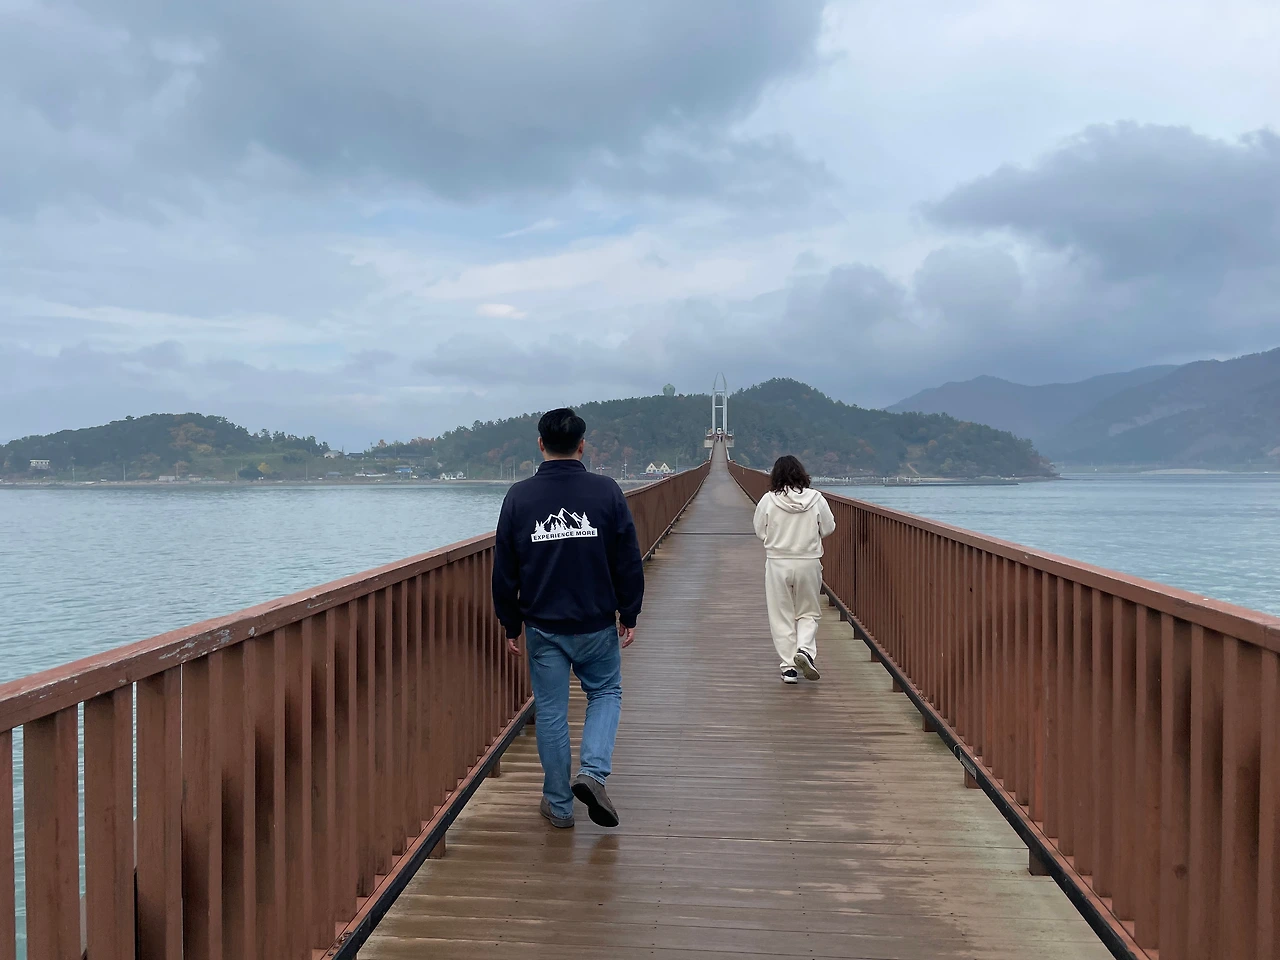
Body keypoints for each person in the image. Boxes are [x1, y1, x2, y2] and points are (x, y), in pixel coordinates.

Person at [492, 407, 643, 829]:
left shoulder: (519, 497)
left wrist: (510, 622)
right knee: (605, 693)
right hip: (596, 621)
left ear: (540, 444)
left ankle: (559, 806)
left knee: (552, 712)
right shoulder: (606, 491)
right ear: (582, 446)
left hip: (543, 625)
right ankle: (592, 773)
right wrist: (629, 611)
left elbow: (504, 570)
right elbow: (628, 558)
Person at [752, 455, 836, 684]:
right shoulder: (816, 498)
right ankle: (805, 649)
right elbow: (828, 527)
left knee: (781, 615)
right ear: (801, 473)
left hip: (778, 562)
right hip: (808, 562)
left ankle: (789, 668)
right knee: (809, 611)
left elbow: (759, 531)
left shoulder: (768, 500)